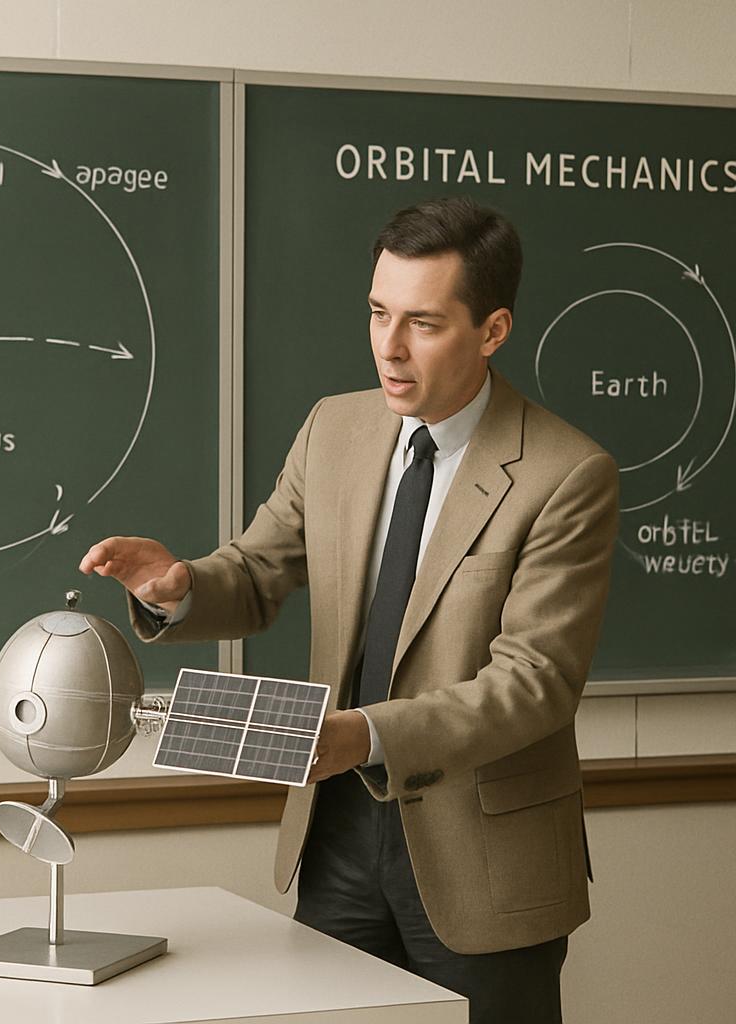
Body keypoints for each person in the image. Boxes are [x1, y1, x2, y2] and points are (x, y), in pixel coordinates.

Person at [79, 196, 619, 1023]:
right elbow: (259, 573)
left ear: (494, 330)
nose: (389, 348)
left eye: (424, 324)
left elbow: (534, 685)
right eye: (377, 313)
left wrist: (363, 735)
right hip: (334, 837)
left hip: (485, 857)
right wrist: (178, 586)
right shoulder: (334, 428)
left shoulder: (566, 474)